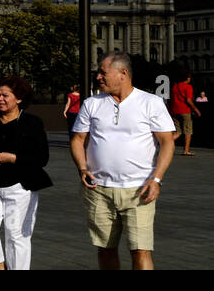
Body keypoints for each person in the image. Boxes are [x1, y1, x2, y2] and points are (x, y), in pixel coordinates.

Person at [71, 52, 176, 270]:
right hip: (98, 189)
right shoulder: (92, 103)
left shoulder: (151, 102)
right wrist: (82, 167)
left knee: (141, 249)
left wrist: (156, 179)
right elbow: (77, 139)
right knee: (105, 248)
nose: (98, 77)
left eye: (103, 72)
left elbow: (167, 142)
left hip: (139, 189)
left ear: (123, 73)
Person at [0, 75, 52, 270]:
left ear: (19, 99)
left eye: (5, 95)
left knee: (17, 236)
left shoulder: (32, 123)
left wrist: (13, 158)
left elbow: (42, 158)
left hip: (20, 187)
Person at [171, 70, 201, 156]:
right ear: (187, 78)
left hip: (174, 111)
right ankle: (186, 150)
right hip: (185, 111)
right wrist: (196, 109)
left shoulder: (174, 87)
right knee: (188, 131)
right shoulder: (188, 87)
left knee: (177, 132)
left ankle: (163, 143)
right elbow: (188, 100)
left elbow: (170, 100)